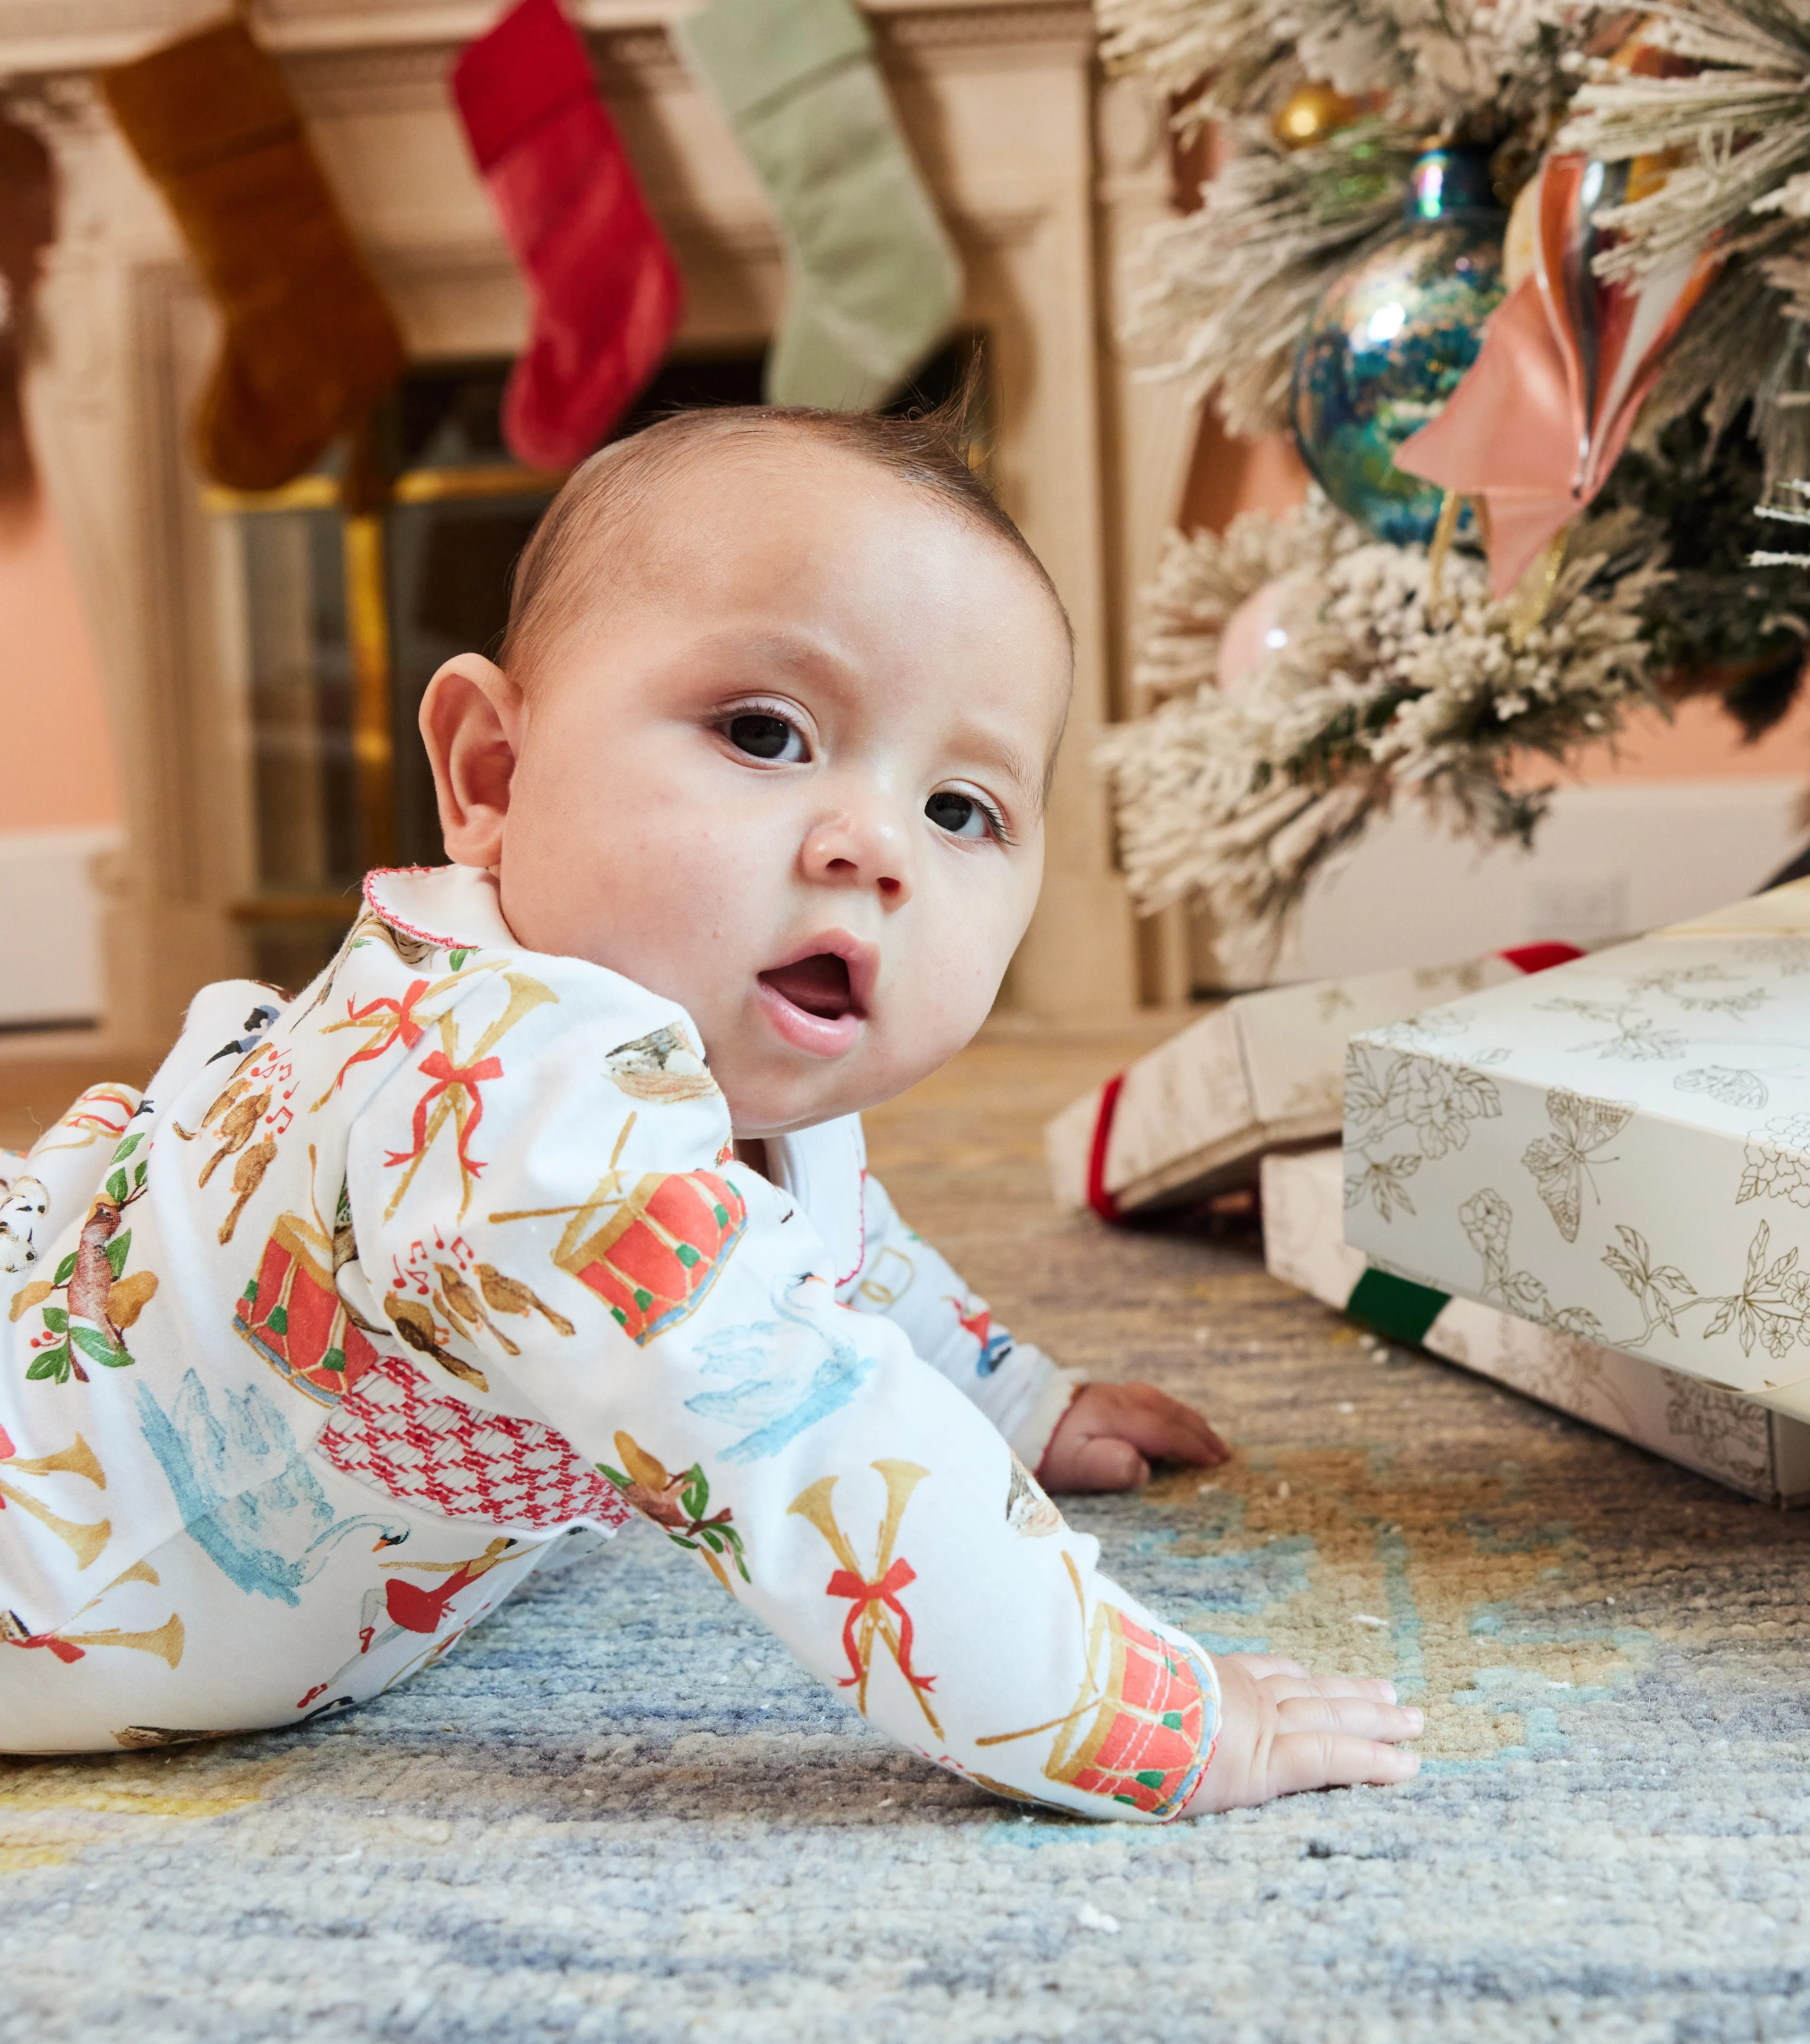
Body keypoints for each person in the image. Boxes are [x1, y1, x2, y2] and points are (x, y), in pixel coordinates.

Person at [0, 405, 1422, 1816]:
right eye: (765, 731)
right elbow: (819, 1443)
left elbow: (832, 1257)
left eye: (961, 810)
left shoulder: (703, 1077)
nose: (872, 847)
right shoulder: (527, 1118)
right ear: (493, 774)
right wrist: (1143, 1711)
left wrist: (1006, 1395)